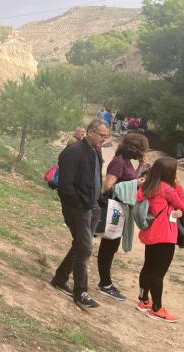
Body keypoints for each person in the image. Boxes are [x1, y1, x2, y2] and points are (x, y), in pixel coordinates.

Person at [50, 119, 111, 310]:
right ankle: (81, 292)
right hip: (78, 209)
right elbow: (65, 185)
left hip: (92, 207)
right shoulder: (73, 151)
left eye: (106, 136)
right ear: (90, 132)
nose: (104, 139)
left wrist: (98, 200)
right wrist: (78, 203)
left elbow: (93, 178)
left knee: (80, 245)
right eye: (102, 135)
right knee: (85, 248)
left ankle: (60, 279)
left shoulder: (95, 150)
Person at [96, 132, 149, 301]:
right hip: (115, 210)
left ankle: (106, 282)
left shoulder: (127, 161)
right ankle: (105, 284)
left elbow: (129, 180)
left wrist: (140, 167)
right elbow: (108, 186)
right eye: (142, 149)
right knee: (108, 247)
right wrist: (135, 183)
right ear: (134, 148)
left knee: (111, 247)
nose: (143, 152)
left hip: (120, 210)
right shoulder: (119, 162)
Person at [135, 157, 184, 323]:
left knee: (148, 267)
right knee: (158, 273)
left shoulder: (147, 185)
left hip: (150, 233)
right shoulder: (167, 189)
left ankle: (144, 300)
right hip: (164, 236)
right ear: (169, 173)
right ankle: (157, 309)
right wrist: (179, 186)